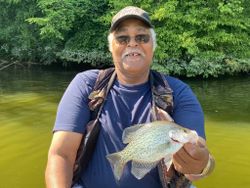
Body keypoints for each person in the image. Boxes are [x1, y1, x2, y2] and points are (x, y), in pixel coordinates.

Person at [45, 6, 215, 188]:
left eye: (142, 37)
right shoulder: (87, 85)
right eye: (122, 38)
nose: (132, 43)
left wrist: (199, 166)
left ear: (153, 46)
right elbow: (60, 155)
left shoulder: (178, 92)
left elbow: (205, 158)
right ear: (111, 47)